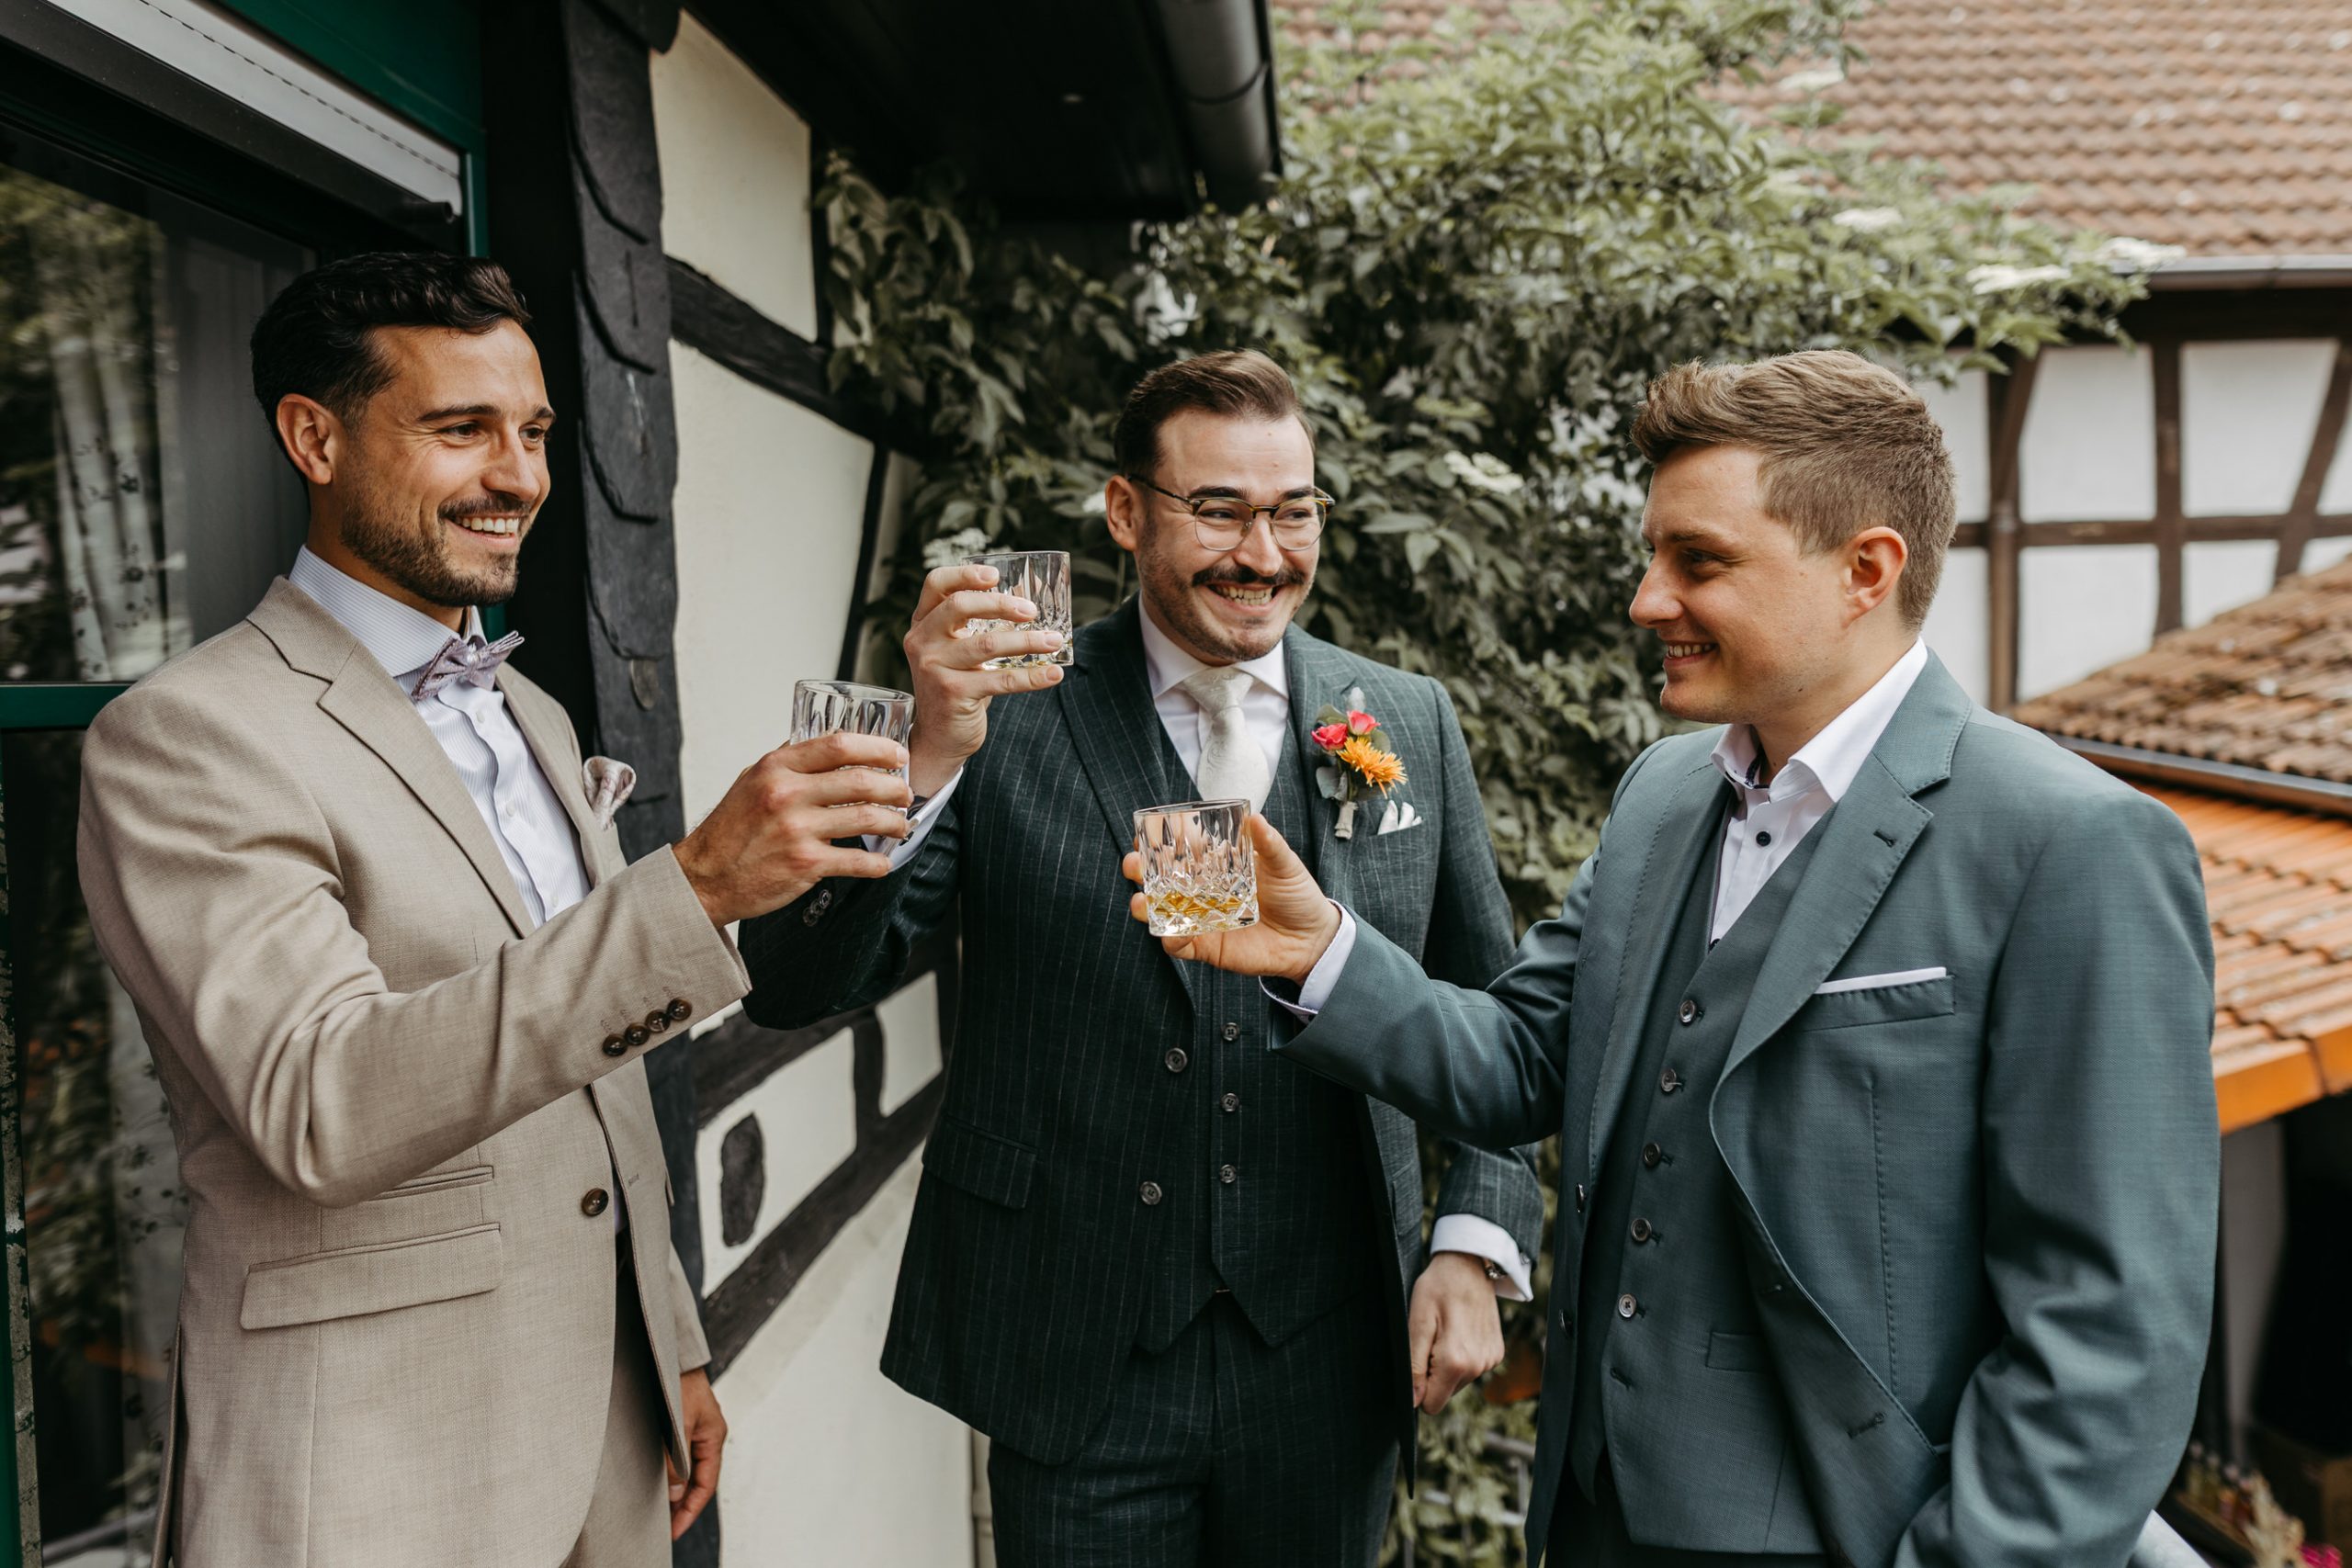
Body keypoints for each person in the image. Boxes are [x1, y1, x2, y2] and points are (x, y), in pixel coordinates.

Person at [1133, 351, 2220, 1568]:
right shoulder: (1662, 794)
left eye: (1698, 561)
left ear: (1866, 571)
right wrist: (1320, 952)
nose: (1649, 601)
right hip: (1594, 1517)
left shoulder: (2072, 846)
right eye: (1653, 555)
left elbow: (2108, 1336)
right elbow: (1525, 1059)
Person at [75, 252, 912, 1566]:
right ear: (314, 438)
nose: (518, 476)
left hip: (611, 1426)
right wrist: (693, 888)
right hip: (376, 1467)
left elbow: (594, 1073)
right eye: (462, 429)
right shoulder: (187, 736)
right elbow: (321, 1102)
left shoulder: (531, 711)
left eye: (533, 432)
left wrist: (671, 1339)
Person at [737, 351, 1544, 1565]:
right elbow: (799, 983)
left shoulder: (1406, 718)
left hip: (1324, 1356)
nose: (1263, 555)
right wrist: (927, 756)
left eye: (1294, 512)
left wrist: (1477, 1242)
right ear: (1126, 512)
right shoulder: (1002, 716)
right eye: (1219, 510)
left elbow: (1495, 1018)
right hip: (1079, 1351)